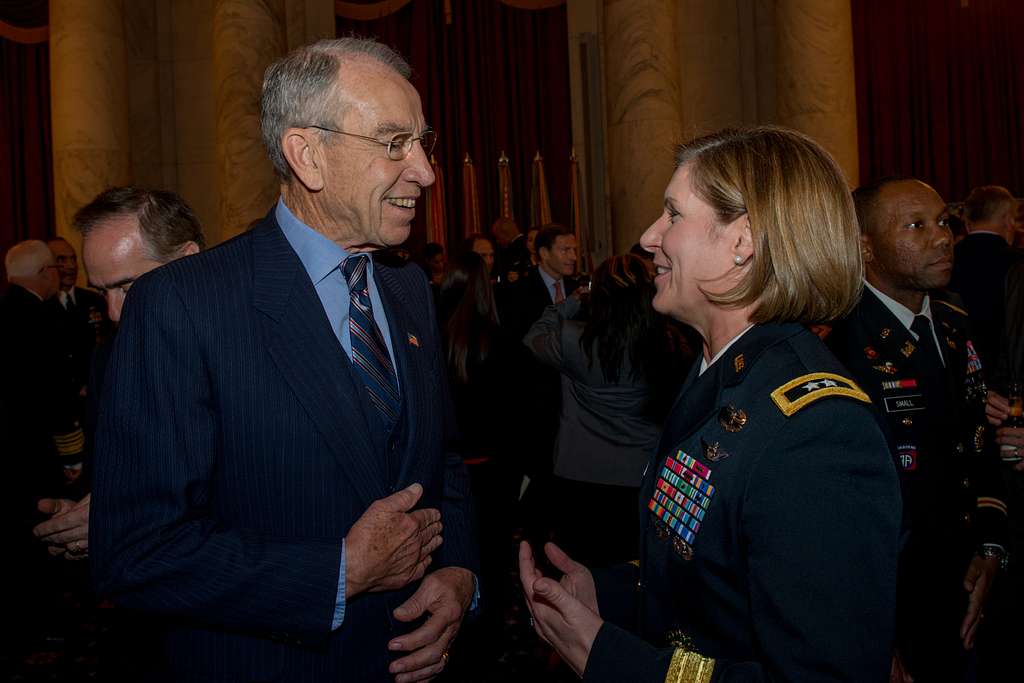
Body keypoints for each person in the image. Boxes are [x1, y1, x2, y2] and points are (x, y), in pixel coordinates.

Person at [90, 37, 477, 682]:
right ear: (308, 154)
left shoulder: (406, 288)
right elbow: (135, 551)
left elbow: (443, 461)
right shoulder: (184, 304)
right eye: (392, 143)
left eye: (421, 142)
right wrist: (339, 573)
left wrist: (460, 572)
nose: (426, 172)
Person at [518, 126, 901, 681]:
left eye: (672, 215)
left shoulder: (817, 430)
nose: (650, 237)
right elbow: (714, 573)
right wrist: (604, 592)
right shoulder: (720, 376)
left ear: (743, 241)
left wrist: (607, 657)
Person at [827, 176, 1009, 682]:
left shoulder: (952, 320)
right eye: (916, 225)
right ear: (865, 248)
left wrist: (990, 548)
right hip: (885, 601)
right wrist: (871, 634)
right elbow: (835, 508)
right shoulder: (835, 342)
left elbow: (976, 444)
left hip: (964, 583)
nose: (943, 236)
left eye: (944, 222)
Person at [32, 187, 205, 561]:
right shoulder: (107, 357)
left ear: (189, 260)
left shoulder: (248, 349)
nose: (112, 312)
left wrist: (127, 517)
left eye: (128, 287)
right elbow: (108, 471)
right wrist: (83, 515)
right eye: (101, 291)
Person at [523, 254, 684, 568]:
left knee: (583, 568)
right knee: (633, 567)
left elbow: (532, 338)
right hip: (641, 471)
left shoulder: (574, 339)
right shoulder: (665, 342)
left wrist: (570, 302)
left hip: (580, 473)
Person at [948, 185, 1024, 366]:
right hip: (1008, 374)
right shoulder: (1018, 263)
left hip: (956, 366)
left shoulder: (944, 260)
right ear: (1007, 220)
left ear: (967, 221)